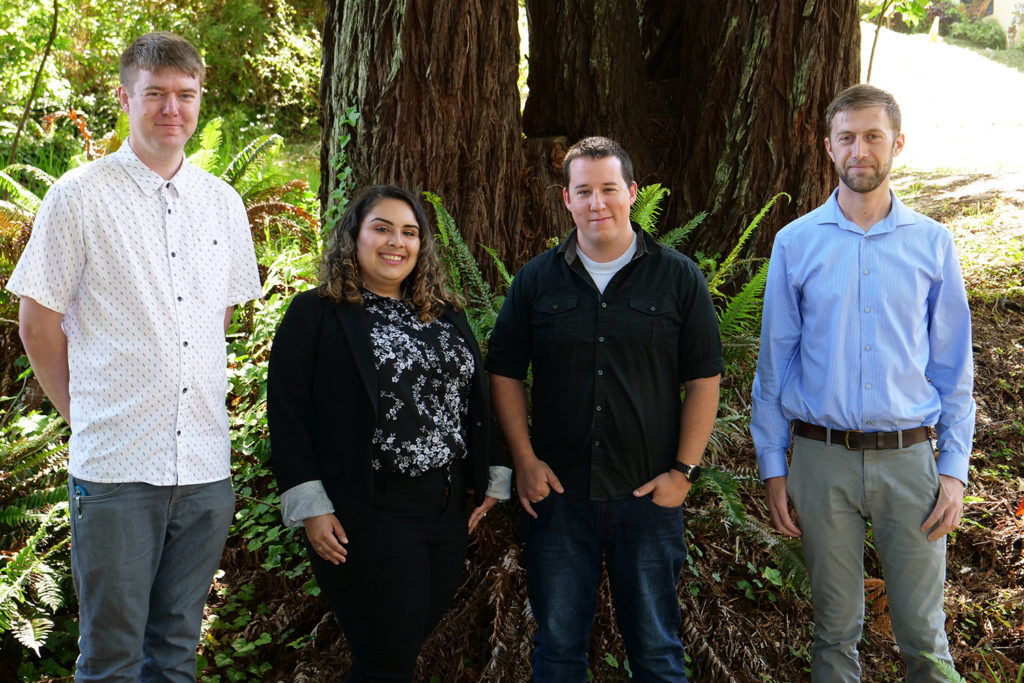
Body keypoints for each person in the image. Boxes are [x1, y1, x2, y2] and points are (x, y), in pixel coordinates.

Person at [8, 32, 262, 681]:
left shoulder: (223, 204)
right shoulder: (79, 195)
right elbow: (37, 323)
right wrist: (84, 412)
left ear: (200, 97)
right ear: (125, 97)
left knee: (176, 652)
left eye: (185, 94)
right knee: (113, 656)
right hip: (117, 467)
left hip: (205, 467)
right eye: (156, 94)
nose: (171, 108)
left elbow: (219, 319)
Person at [751, 83, 975, 682]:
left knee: (926, 637)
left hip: (911, 464)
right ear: (828, 147)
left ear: (897, 143)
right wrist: (775, 467)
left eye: (873, 136)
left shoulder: (933, 244)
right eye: (847, 138)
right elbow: (775, 365)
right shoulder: (795, 244)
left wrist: (953, 472)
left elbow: (955, 372)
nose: (860, 150)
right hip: (821, 461)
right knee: (834, 634)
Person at [487, 136, 723, 682]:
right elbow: (504, 370)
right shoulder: (536, 280)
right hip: (558, 498)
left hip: (648, 499)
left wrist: (683, 473)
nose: (598, 203)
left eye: (609, 189)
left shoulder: (678, 277)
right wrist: (523, 459)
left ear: (633, 193)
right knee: (558, 651)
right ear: (566, 199)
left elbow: (704, 380)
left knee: (658, 654)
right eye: (584, 191)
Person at [267, 185, 511, 682]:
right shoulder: (315, 313)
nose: (395, 242)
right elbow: (288, 415)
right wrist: (311, 505)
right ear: (352, 237)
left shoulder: (445, 314)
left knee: (397, 650)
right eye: (381, 228)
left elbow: (478, 402)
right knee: (386, 658)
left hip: (445, 511)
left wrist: (492, 478)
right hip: (370, 511)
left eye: (409, 232)